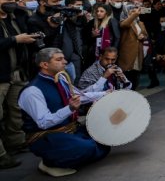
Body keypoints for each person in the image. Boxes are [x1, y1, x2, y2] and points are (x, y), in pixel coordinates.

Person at [18, 48, 110, 177]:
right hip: (46, 137)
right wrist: (70, 109)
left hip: (69, 130)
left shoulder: (60, 79)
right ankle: (50, 163)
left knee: (104, 138)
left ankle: (68, 154)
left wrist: (105, 94)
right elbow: (44, 122)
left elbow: (80, 97)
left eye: (64, 58)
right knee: (88, 147)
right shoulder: (32, 91)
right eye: (59, 59)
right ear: (44, 65)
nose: (65, 62)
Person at [0, 0, 37, 169]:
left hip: (17, 73)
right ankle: (1, 156)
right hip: (1, 76)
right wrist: (15, 40)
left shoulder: (17, 17)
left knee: (16, 111)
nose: (12, 4)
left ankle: (16, 142)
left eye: (15, 0)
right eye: (8, 0)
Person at [117, 5, 149, 90]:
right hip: (127, 52)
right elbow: (124, 25)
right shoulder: (124, 21)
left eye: (136, 12)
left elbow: (146, 35)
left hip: (138, 51)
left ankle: (133, 92)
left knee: (135, 73)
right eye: (132, 12)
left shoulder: (140, 22)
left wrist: (143, 36)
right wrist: (134, 15)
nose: (135, 14)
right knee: (127, 73)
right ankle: (127, 93)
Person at [85, 3, 121, 69]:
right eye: (97, 11)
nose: (98, 13)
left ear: (107, 13)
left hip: (108, 52)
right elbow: (86, 39)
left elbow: (117, 37)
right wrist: (93, 35)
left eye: (101, 11)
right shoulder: (92, 22)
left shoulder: (112, 21)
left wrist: (113, 51)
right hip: (94, 53)